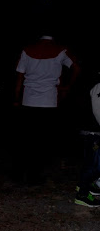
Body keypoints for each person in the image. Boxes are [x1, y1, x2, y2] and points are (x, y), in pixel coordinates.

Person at [14, 32, 81, 184]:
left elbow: (19, 78)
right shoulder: (61, 50)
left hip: (28, 100)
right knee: (42, 140)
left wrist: (16, 99)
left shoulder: (27, 50)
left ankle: (19, 174)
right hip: (49, 101)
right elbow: (77, 68)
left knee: (26, 138)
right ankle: (34, 175)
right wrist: (67, 87)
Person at [75, 78, 100, 207]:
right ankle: (82, 194)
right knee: (95, 166)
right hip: (93, 134)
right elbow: (98, 113)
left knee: (93, 164)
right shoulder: (98, 87)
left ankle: (88, 187)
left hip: (95, 133)